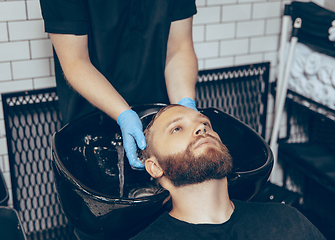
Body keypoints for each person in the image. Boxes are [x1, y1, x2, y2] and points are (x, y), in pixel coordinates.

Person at [39, 0, 199, 170]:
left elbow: (179, 48)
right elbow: (75, 61)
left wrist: (185, 107)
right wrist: (124, 115)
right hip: (90, 122)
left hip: (160, 118)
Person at [130, 104, 326, 240]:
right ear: (155, 167)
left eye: (205, 123)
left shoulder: (286, 220)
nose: (201, 128)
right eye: (177, 128)